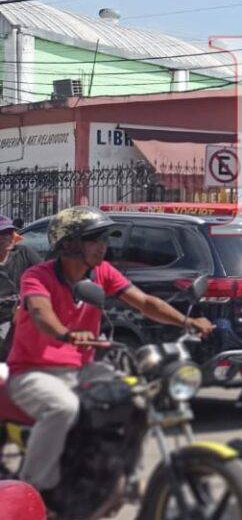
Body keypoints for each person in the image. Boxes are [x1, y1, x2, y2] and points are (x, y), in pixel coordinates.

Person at [7, 206, 214, 496]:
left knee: (138, 395)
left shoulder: (102, 272)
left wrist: (187, 321)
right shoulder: (37, 276)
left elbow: (144, 302)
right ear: (68, 244)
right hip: (33, 371)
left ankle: (122, 474)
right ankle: (32, 488)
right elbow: (41, 313)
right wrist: (66, 334)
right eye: (94, 239)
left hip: (82, 369)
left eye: (104, 238)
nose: (103, 246)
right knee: (63, 408)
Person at [0, 217, 43, 380]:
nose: (8, 237)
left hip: (27, 315)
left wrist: (25, 304)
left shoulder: (24, 252)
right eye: (3, 234)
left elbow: (45, 277)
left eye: (10, 233)